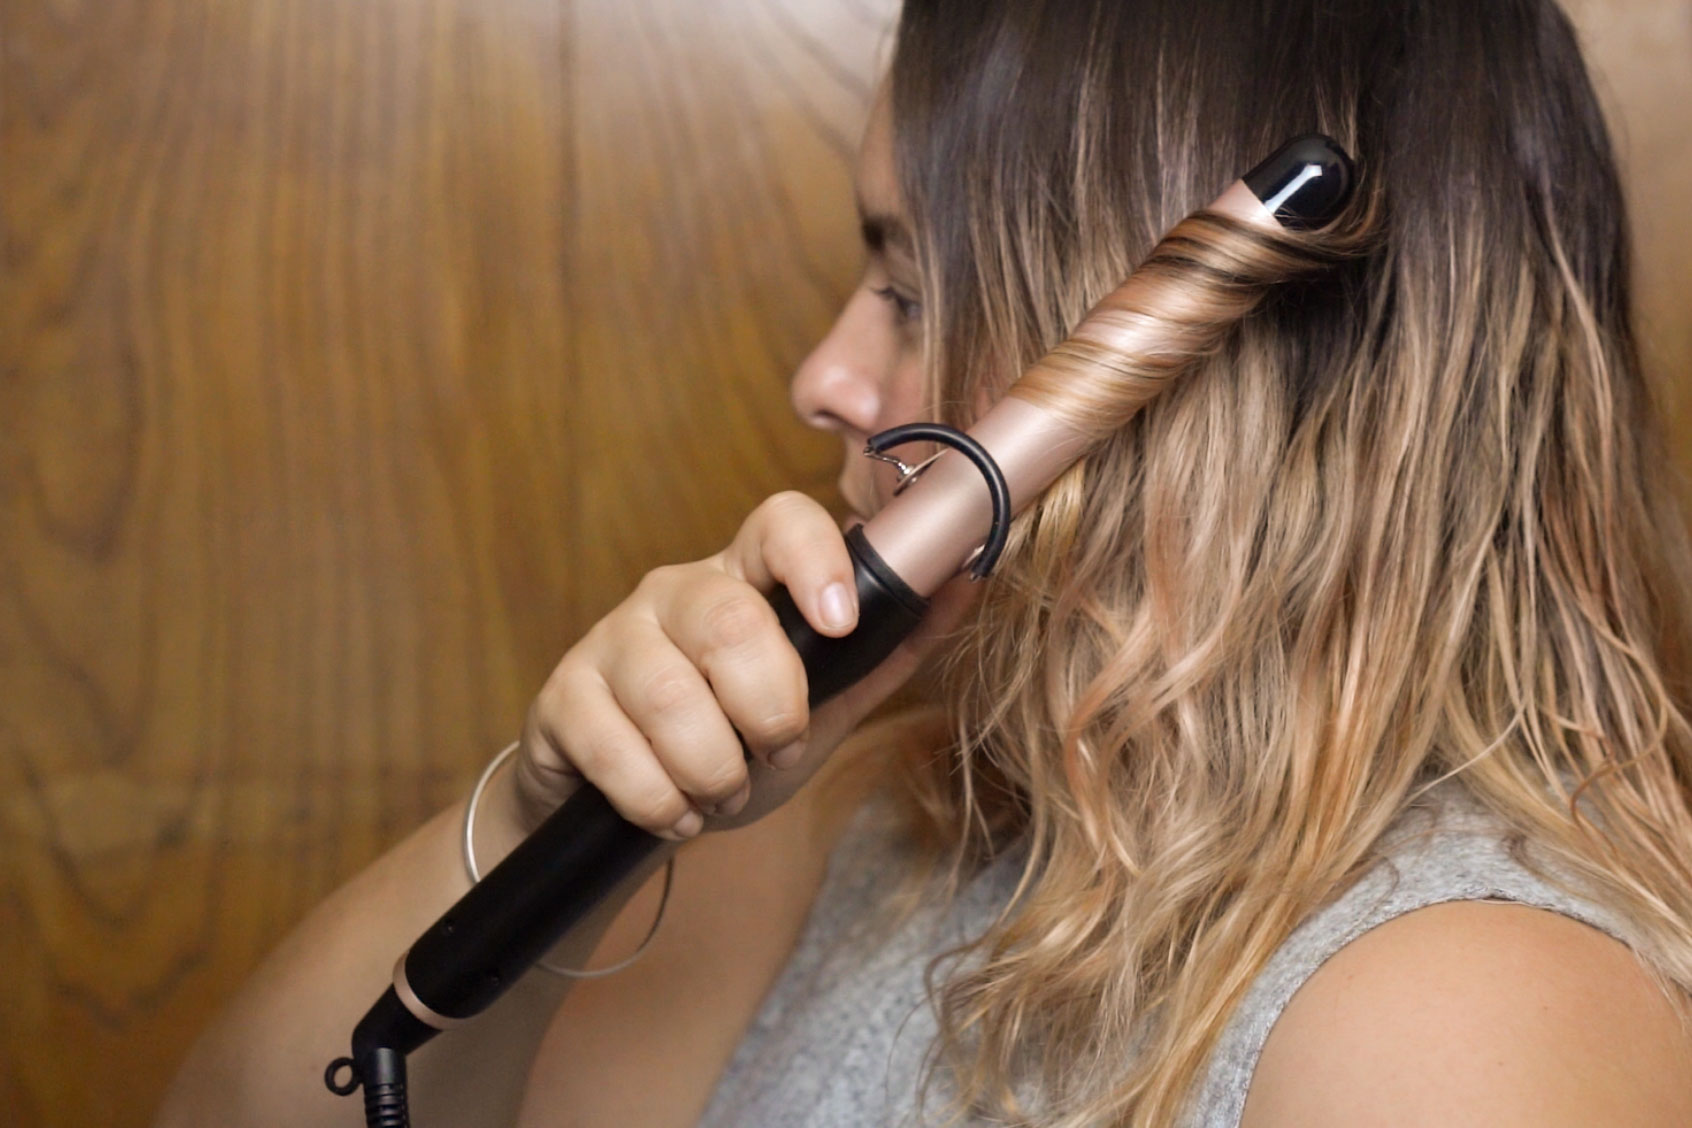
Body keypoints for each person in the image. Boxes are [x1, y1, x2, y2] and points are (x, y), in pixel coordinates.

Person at [156, 0, 1692, 1124]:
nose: (824, 376)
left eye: (908, 282)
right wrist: (556, 813)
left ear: (1199, 367)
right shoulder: (848, 827)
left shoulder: (1462, 1026)